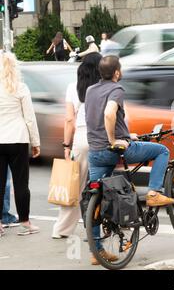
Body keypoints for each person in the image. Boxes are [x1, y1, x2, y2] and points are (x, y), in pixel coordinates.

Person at [84, 55, 174, 264]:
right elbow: (108, 114)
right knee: (161, 151)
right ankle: (153, 192)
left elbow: (96, 117)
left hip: (95, 152)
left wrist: (126, 134)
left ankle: (96, 252)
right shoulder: (117, 89)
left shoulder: (90, 90)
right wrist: (114, 140)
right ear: (117, 72)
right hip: (113, 149)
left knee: (94, 196)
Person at [52, 52, 103, 240]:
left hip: (81, 138)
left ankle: (62, 229)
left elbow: (68, 119)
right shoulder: (103, 87)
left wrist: (66, 146)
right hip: (101, 138)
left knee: (75, 186)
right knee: (106, 184)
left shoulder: (72, 87)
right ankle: (110, 224)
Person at [0, 52, 41, 238]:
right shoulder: (21, 87)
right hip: (18, 138)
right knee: (21, 183)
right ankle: (25, 222)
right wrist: (36, 142)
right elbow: (29, 118)